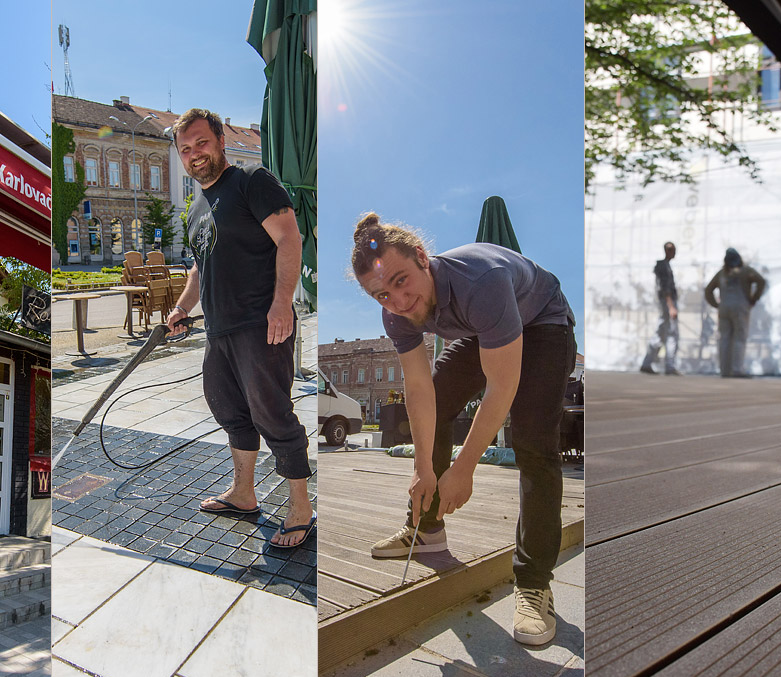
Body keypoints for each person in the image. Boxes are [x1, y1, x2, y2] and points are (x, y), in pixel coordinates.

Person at [351, 213, 576, 646]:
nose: (396, 300)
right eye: (381, 293)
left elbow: (502, 385)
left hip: (545, 324)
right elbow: (419, 391)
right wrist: (423, 467)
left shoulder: (480, 281)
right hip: (484, 328)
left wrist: (464, 467)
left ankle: (533, 584)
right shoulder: (395, 315)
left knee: (533, 444)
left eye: (401, 281)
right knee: (437, 397)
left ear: (423, 258)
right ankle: (427, 530)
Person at [166, 108, 314, 548]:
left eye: (201, 143)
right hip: (220, 329)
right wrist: (181, 308)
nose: (194, 154)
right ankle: (244, 494)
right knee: (229, 410)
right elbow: (200, 265)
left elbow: (290, 238)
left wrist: (281, 304)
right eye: (185, 149)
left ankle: (302, 509)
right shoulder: (195, 207)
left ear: (220, 140)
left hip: (260, 324)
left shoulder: (252, 181)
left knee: (273, 413)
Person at [704, 248, 766, 377]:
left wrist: (716, 305)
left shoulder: (721, 273)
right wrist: (754, 299)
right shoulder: (746, 271)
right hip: (740, 307)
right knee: (739, 337)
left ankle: (725, 371)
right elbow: (761, 281)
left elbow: (708, 290)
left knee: (724, 339)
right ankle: (737, 369)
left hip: (724, 308)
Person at [640, 242, 681, 375]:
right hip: (668, 302)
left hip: (666, 302)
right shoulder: (664, 267)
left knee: (661, 332)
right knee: (671, 333)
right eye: (671, 250)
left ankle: (647, 363)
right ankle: (669, 366)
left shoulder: (664, 266)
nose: (673, 252)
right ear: (667, 251)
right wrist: (671, 306)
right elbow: (665, 288)